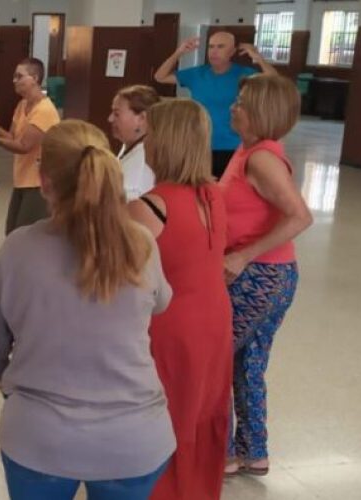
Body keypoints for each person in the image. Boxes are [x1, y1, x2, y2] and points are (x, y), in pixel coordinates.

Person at [0, 120, 174, 500]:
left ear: (45, 182)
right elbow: (162, 301)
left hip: (39, 437)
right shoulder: (142, 243)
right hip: (135, 439)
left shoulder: (19, 249)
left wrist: (3, 382)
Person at [126, 99, 232, 500]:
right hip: (215, 317)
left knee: (166, 412)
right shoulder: (214, 192)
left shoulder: (151, 205)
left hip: (171, 323)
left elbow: (123, 275)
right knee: (204, 409)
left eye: (149, 135)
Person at [220, 74, 312, 476]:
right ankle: (253, 452)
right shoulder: (249, 151)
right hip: (273, 275)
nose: (232, 107)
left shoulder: (262, 158)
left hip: (261, 276)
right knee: (247, 364)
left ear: (261, 112)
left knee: (216, 360)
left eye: (241, 102)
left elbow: (300, 215)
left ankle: (222, 453)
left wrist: (243, 256)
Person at [154, 32, 277, 178]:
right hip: (200, 145)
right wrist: (178, 53)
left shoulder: (244, 74)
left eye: (220, 47)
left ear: (232, 52)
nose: (214, 51)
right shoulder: (197, 73)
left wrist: (259, 59)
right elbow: (160, 77)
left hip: (234, 145)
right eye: (211, 47)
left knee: (227, 192)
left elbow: (275, 82)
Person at [0, 57, 60, 234]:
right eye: (15, 76)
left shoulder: (44, 110)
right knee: (12, 232)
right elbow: (13, 137)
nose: (15, 81)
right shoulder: (22, 105)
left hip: (38, 182)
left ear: (35, 78)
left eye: (19, 76)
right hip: (22, 180)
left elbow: (23, 146)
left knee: (24, 234)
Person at [107, 85, 160, 200]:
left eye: (116, 114)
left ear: (141, 118)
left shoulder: (137, 170)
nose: (110, 118)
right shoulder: (130, 145)